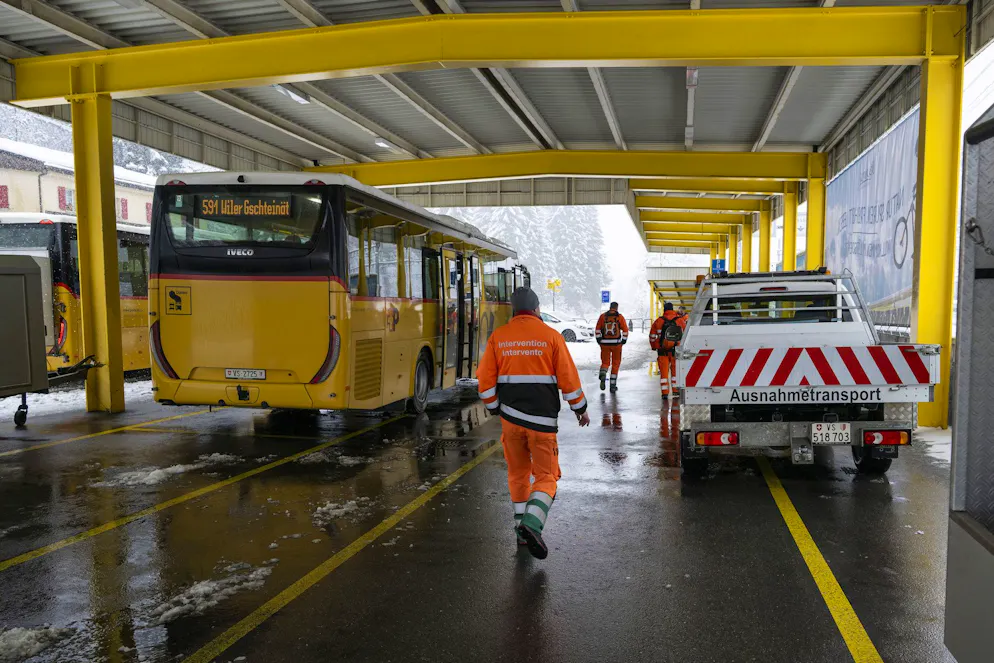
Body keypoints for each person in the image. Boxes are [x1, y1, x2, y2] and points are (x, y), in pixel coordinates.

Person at [477, 287, 591, 560]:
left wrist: (495, 408)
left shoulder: (499, 337)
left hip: (510, 421)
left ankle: (521, 530)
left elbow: (484, 381)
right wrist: (580, 409)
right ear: (538, 309)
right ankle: (532, 524)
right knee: (546, 477)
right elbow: (569, 380)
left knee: (517, 475)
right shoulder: (551, 337)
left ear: (513, 311)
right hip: (541, 423)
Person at [649, 302, 687, 400]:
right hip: (676, 351)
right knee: (675, 372)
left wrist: (654, 346)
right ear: (672, 309)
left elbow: (652, 337)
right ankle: (675, 390)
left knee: (664, 373)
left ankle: (665, 393)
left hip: (662, 351)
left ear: (664, 310)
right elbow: (686, 335)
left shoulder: (658, 321)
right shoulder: (680, 321)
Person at [594, 302, 629, 392]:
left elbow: (597, 329)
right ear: (616, 308)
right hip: (616, 344)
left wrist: (599, 340)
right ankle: (612, 386)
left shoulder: (603, 316)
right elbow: (625, 330)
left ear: (610, 307)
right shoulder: (619, 317)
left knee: (605, 362)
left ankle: (603, 373)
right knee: (615, 363)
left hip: (604, 344)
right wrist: (623, 340)